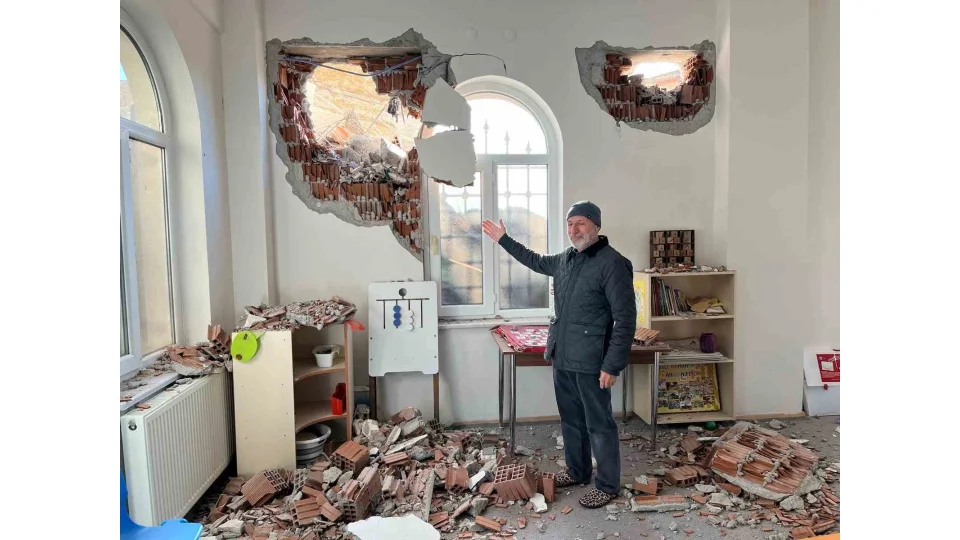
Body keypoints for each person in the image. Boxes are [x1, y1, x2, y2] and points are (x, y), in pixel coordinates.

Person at [482, 201, 637, 508]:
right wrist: (503, 239)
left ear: (596, 226)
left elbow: (625, 319)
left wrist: (612, 365)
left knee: (599, 424)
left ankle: (607, 485)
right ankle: (578, 471)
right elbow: (535, 260)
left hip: (592, 362)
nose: (573, 230)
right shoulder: (566, 259)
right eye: (570, 224)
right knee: (571, 420)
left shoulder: (613, 263)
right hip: (563, 356)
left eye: (580, 223)